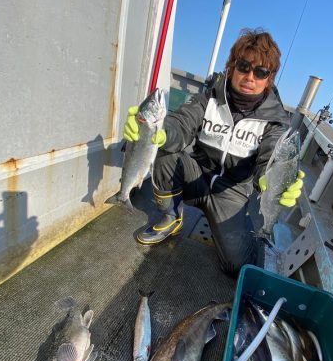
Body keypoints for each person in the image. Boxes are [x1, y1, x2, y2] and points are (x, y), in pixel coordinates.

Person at [123, 29, 304, 276]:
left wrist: (273, 179)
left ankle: (242, 230)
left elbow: (272, 155)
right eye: (243, 66)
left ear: (269, 78)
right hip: (195, 176)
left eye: (260, 72)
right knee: (165, 149)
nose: (250, 77)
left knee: (236, 266)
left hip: (231, 193)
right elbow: (182, 122)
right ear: (231, 68)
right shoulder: (209, 97)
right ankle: (172, 217)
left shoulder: (276, 121)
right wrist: (158, 131)